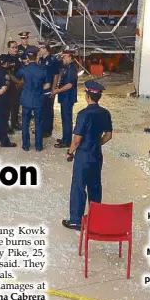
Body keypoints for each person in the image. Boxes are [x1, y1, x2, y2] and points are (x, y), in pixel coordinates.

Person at [62, 80, 113, 230]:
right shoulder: (105, 113)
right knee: (95, 186)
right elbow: (108, 135)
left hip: (83, 156)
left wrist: (70, 152)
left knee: (78, 186)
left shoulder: (83, 114)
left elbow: (77, 139)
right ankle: (95, 218)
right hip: (97, 155)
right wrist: (97, 144)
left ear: (88, 96)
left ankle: (76, 221)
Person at [15, 46, 50, 151]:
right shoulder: (43, 69)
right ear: (37, 55)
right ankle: (38, 146)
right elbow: (48, 85)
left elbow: (17, 78)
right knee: (39, 123)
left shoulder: (24, 69)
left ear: (27, 57)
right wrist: (39, 88)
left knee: (25, 123)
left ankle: (26, 146)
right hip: (38, 99)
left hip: (26, 99)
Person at [53, 50, 78, 149]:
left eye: (64, 57)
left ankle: (67, 141)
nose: (62, 59)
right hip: (65, 97)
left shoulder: (72, 68)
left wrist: (57, 91)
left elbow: (69, 85)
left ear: (69, 57)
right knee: (65, 119)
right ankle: (65, 138)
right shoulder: (67, 66)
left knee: (67, 119)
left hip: (68, 97)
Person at [37, 43, 60, 137]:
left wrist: (54, 89)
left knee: (48, 109)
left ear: (46, 49)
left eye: (41, 48)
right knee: (41, 109)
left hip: (49, 88)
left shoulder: (52, 60)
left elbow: (56, 75)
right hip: (41, 88)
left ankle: (47, 130)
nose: (39, 50)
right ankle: (41, 128)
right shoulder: (41, 59)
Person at [6, 41, 23, 132]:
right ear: (8, 48)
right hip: (11, 85)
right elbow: (9, 74)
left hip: (19, 85)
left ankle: (15, 123)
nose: (15, 49)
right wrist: (18, 82)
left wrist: (21, 82)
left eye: (16, 47)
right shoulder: (6, 59)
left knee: (16, 105)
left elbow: (23, 70)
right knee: (9, 106)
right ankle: (8, 126)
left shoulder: (18, 58)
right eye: (13, 47)